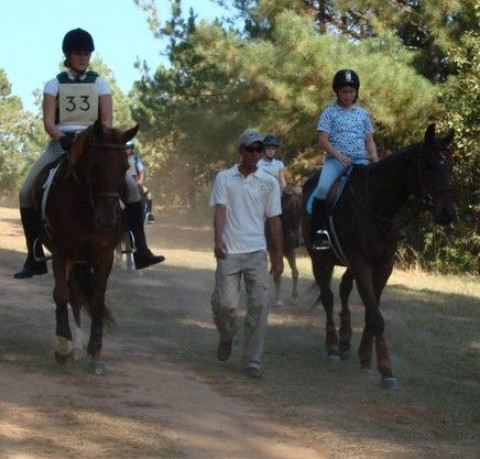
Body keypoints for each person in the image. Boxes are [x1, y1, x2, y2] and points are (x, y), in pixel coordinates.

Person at [14, 28, 164, 279]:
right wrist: (62, 138)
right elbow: (49, 122)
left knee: (131, 186)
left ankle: (141, 248)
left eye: (87, 53)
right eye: (78, 53)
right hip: (60, 144)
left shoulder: (99, 83)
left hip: (93, 145)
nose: (84, 58)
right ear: (68, 55)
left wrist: (91, 139)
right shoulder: (54, 84)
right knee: (25, 191)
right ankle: (34, 255)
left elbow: (106, 120)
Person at [209, 130, 284, 379]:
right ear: (241, 150)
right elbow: (221, 209)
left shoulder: (269, 182)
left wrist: (277, 255)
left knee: (260, 306)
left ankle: (252, 360)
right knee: (225, 305)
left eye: (258, 149)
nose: (255, 153)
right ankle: (226, 335)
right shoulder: (224, 177)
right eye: (250, 149)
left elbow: (274, 220)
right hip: (229, 251)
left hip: (256, 252)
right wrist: (218, 239)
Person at [308, 69, 378, 250]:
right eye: (344, 91)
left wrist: (375, 159)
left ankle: (385, 227)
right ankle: (319, 231)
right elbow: (322, 139)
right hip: (336, 161)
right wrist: (339, 156)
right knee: (322, 188)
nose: (348, 95)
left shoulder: (363, 114)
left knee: (379, 187)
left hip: (361, 160)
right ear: (337, 92)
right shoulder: (329, 113)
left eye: (351, 91)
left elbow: (369, 140)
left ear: (356, 92)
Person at [125, 141, 156, 224]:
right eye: (124, 148)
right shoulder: (118, 158)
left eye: (127, 148)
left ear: (131, 149)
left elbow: (141, 172)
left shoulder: (135, 159)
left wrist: (139, 182)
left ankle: (149, 214)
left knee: (149, 195)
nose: (125, 150)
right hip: (122, 183)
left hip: (135, 183)